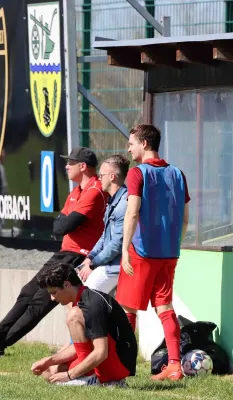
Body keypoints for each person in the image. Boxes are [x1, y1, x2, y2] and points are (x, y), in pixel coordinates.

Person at [0, 147, 107, 358]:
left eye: (70, 163)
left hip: (77, 256)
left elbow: (65, 224)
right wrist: (65, 223)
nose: (66, 166)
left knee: (40, 302)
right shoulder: (76, 191)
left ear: (82, 166)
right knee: (28, 291)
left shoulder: (95, 190)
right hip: (63, 252)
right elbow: (58, 226)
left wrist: (65, 223)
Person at [117, 124, 190, 381]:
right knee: (164, 306)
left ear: (144, 144)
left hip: (142, 251)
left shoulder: (138, 173)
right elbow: (184, 219)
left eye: (131, 143)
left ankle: (122, 366)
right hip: (169, 252)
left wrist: (125, 249)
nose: (129, 148)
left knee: (127, 308)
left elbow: (132, 212)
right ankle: (174, 365)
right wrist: (174, 244)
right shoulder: (178, 174)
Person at [31, 263, 137, 386]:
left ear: (66, 284)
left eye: (54, 292)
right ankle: (98, 379)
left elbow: (101, 352)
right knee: (49, 371)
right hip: (108, 356)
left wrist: (69, 375)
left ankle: (91, 379)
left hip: (118, 363)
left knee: (73, 315)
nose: (52, 298)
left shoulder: (91, 304)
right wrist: (49, 361)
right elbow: (80, 347)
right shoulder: (82, 300)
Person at [77, 155, 129, 294]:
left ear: (112, 177)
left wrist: (93, 265)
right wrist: (90, 257)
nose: (99, 179)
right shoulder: (113, 200)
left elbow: (117, 244)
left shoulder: (124, 204)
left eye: (101, 175)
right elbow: (104, 236)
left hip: (117, 267)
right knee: (72, 286)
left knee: (84, 296)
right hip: (107, 263)